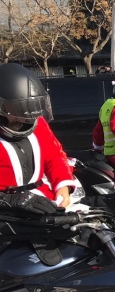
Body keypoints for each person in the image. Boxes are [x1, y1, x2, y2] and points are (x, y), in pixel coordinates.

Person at [0, 63, 78, 214]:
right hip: (6, 214)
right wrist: (10, 200)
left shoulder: (37, 122)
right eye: (17, 111)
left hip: (43, 203)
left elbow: (55, 156)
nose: (25, 119)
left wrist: (63, 185)